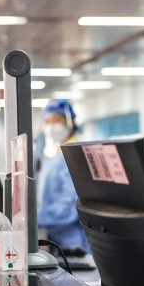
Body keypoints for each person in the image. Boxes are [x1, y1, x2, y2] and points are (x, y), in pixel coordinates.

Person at [37, 99, 89, 253]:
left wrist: (31, 218)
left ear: (71, 121)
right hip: (58, 241)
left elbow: (69, 208)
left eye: (56, 120)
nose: (51, 126)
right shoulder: (56, 156)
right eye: (47, 121)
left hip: (74, 245)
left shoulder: (74, 155)